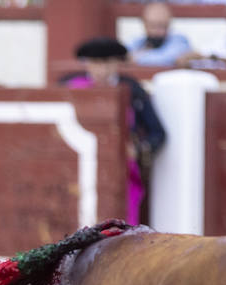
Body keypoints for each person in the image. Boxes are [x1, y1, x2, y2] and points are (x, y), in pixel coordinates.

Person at [60, 38, 166, 225]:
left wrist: (138, 149)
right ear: (87, 64)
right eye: (96, 63)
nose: (102, 70)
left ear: (117, 63)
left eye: (107, 63)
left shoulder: (132, 89)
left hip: (122, 172)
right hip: (76, 168)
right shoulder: (69, 85)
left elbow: (157, 133)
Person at [128, 2, 192, 68]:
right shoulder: (138, 41)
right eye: (153, 26)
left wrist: (137, 57)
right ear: (145, 25)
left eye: (161, 26)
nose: (157, 31)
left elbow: (168, 58)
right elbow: (122, 56)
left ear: (168, 25)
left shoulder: (179, 41)